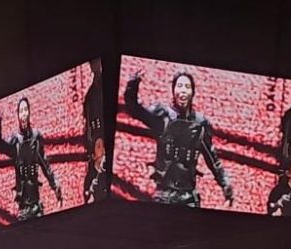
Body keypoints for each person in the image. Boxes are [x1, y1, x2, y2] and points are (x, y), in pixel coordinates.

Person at [123, 70, 234, 208]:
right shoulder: (162, 117)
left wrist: (225, 184)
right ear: (173, 90)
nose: (183, 91)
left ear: (192, 92)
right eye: (179, 86)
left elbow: (212, 159)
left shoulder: (200, 123)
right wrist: (132, 85)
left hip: (189, 196)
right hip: (164, 195)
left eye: (187, 87)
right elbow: (135, 109)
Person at [0, 96, 63, 220]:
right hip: (23, 209)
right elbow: (1, 145)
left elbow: (45, 165)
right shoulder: (15, 141)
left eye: (26, 110)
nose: (24, 114)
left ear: (29, 112)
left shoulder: (36, 138)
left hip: (36, 204)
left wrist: (55, 185)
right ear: (18, 115)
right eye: (21, 111)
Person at [83, 60, 107, 204]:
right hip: (95, 141)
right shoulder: (90, 95)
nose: (95, 66)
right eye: (93, 63)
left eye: (97, 62)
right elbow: (88, 125)